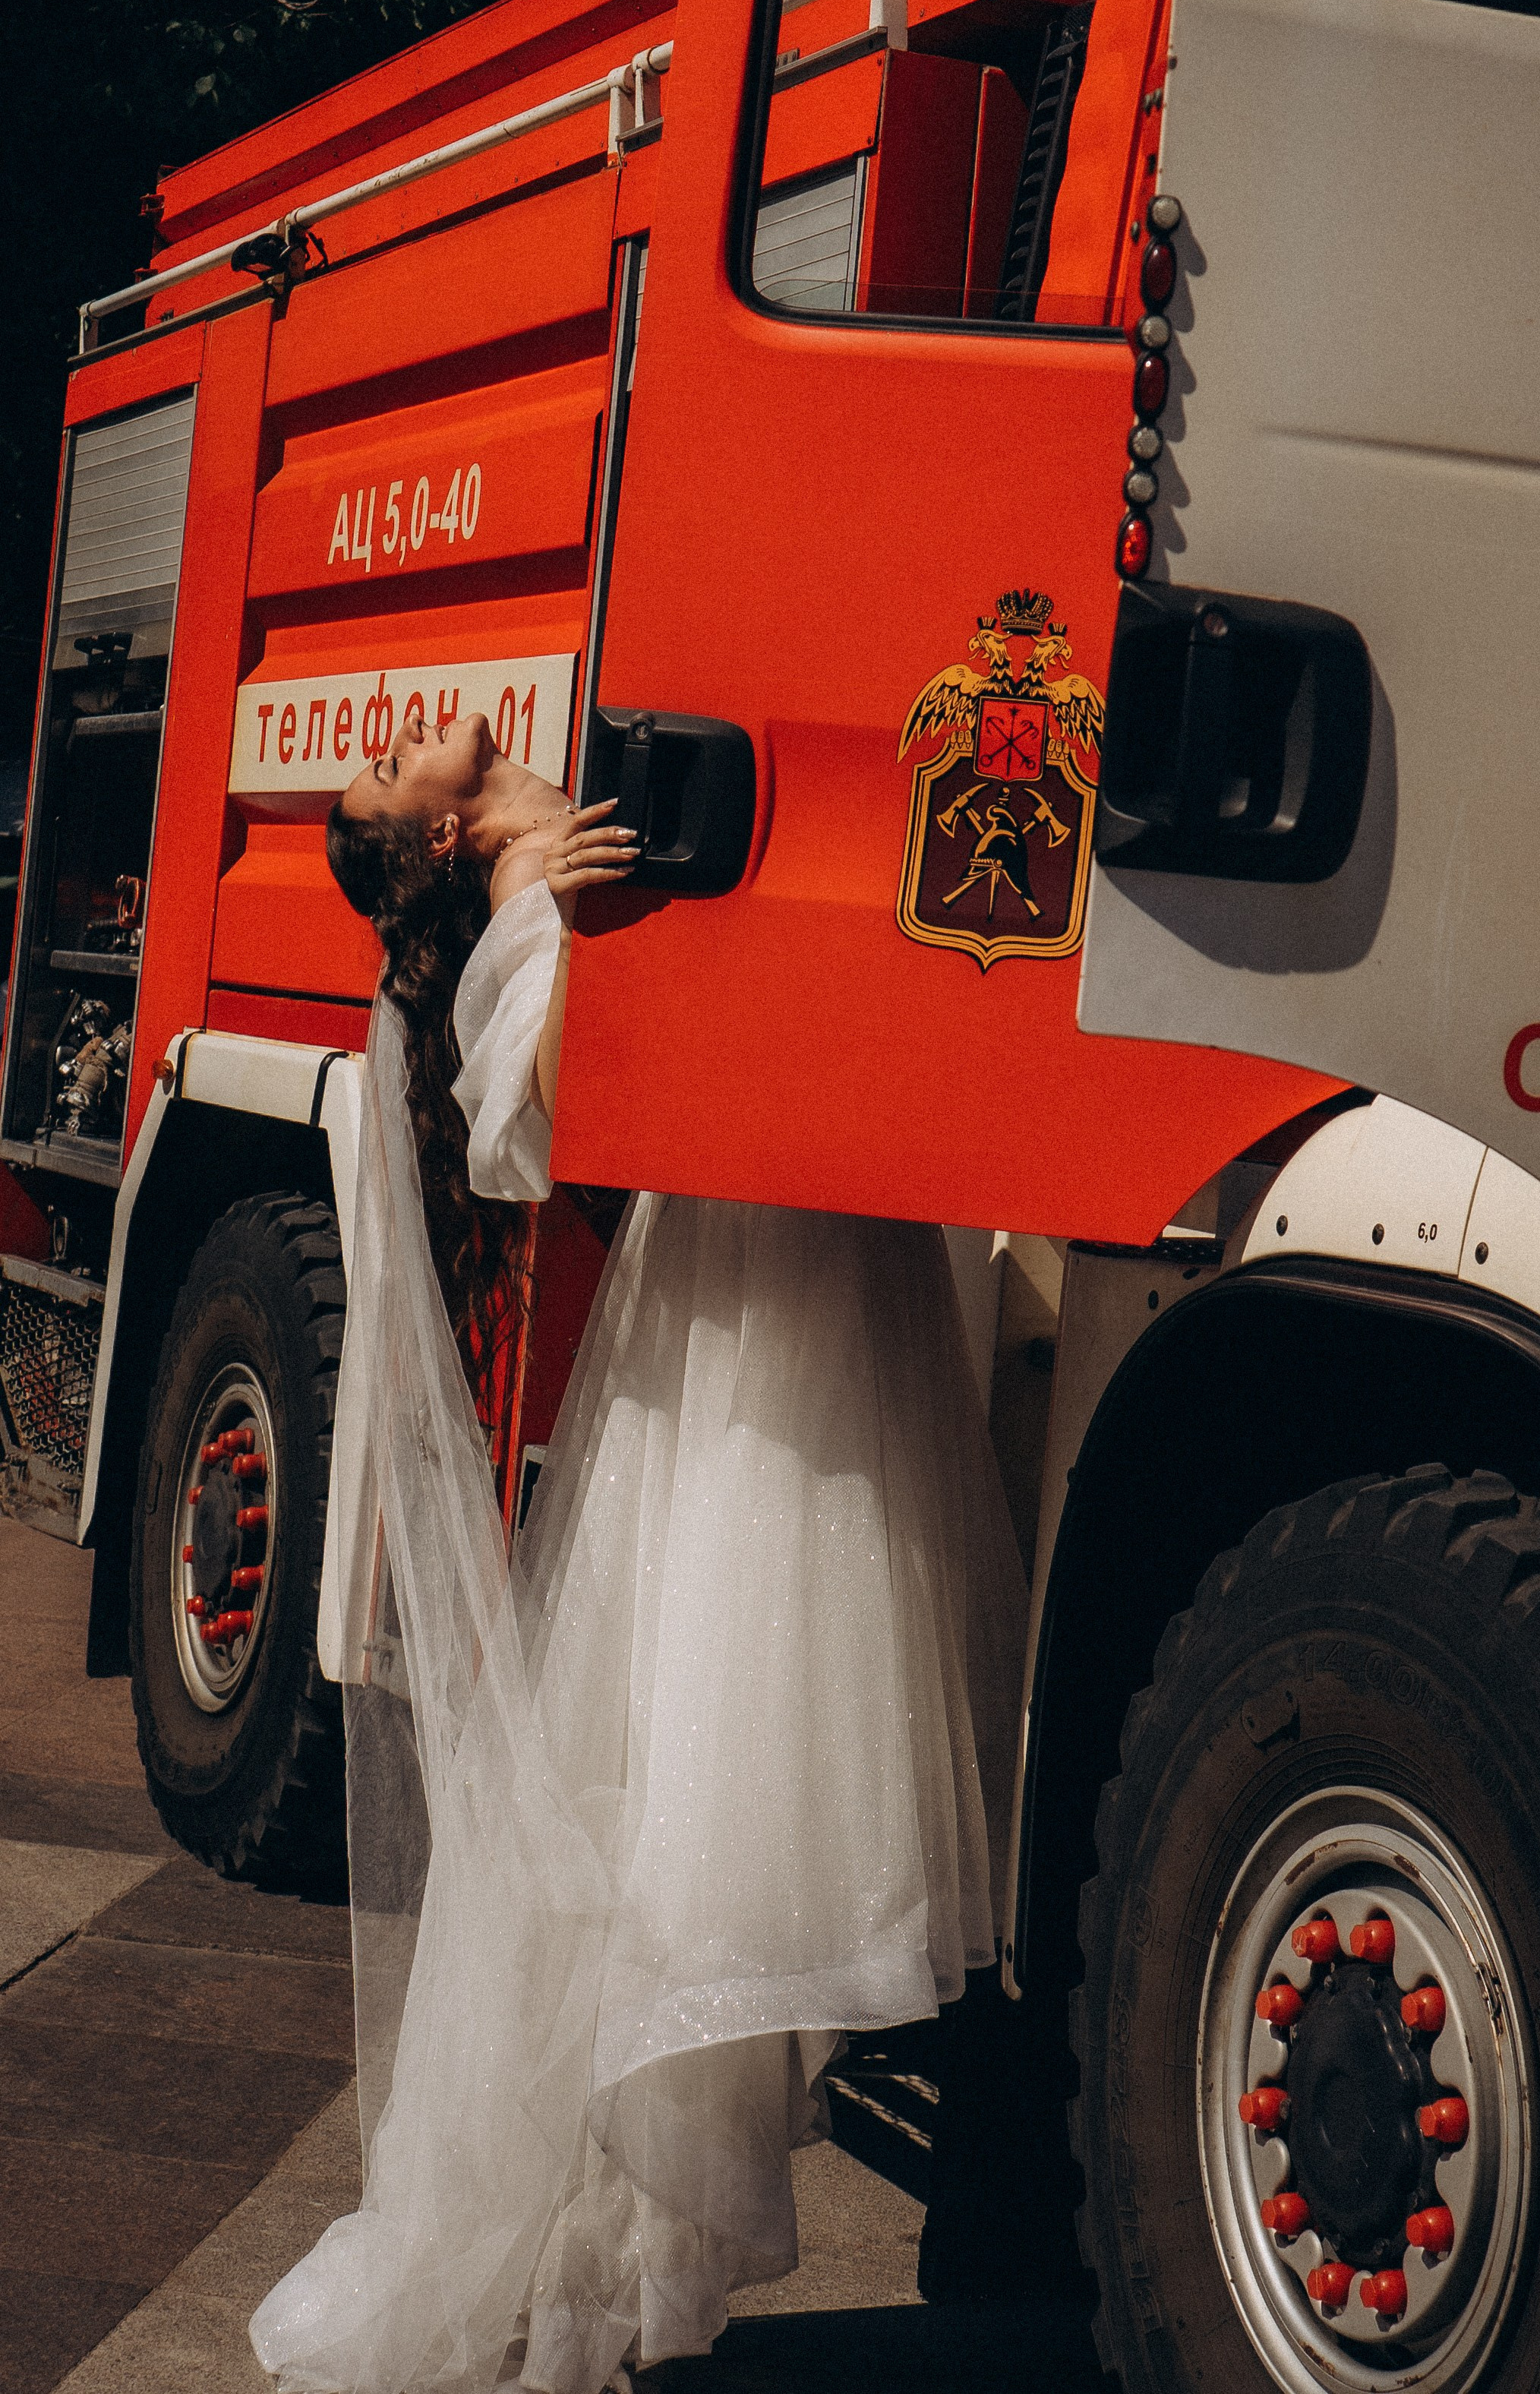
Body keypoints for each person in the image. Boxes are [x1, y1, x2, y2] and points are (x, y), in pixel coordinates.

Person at [249, 706, 1030, 2394]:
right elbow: (526, 1122)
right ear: (446, 841)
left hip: (824, 1246)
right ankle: (612, 2247)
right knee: (730, 1743)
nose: (391, 737)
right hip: (750, 1296)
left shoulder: (605, 811)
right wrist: (560, 929)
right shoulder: (536, 888)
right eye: (383, 777)